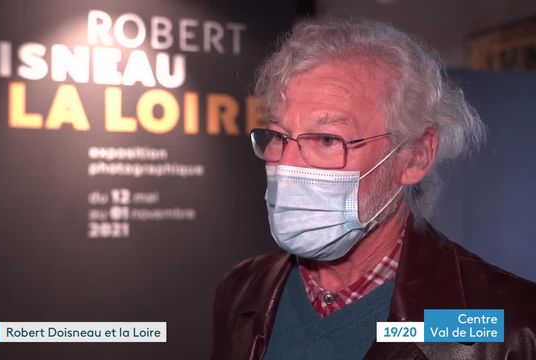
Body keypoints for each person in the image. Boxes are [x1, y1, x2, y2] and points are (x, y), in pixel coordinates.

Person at [211, 19, 536, 360]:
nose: (286, 166)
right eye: (279, 136)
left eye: (326, 140)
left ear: (415, 156)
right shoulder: (242, 291)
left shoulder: (512, 326)